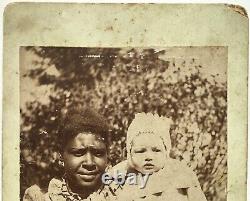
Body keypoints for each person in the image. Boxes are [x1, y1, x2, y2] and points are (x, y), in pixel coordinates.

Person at [23, 107, 116, 201]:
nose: (89, 163)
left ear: (107, 155)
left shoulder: (123, 195)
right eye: (79, 153)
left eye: (98, 153)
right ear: (61, 156)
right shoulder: (45, 199)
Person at [110, 112, 207, 201]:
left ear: (166, 152)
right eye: (140, 151)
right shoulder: (121, 173)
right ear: (129, 154)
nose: (148, 157)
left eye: (156, 150)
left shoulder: (179, 172)